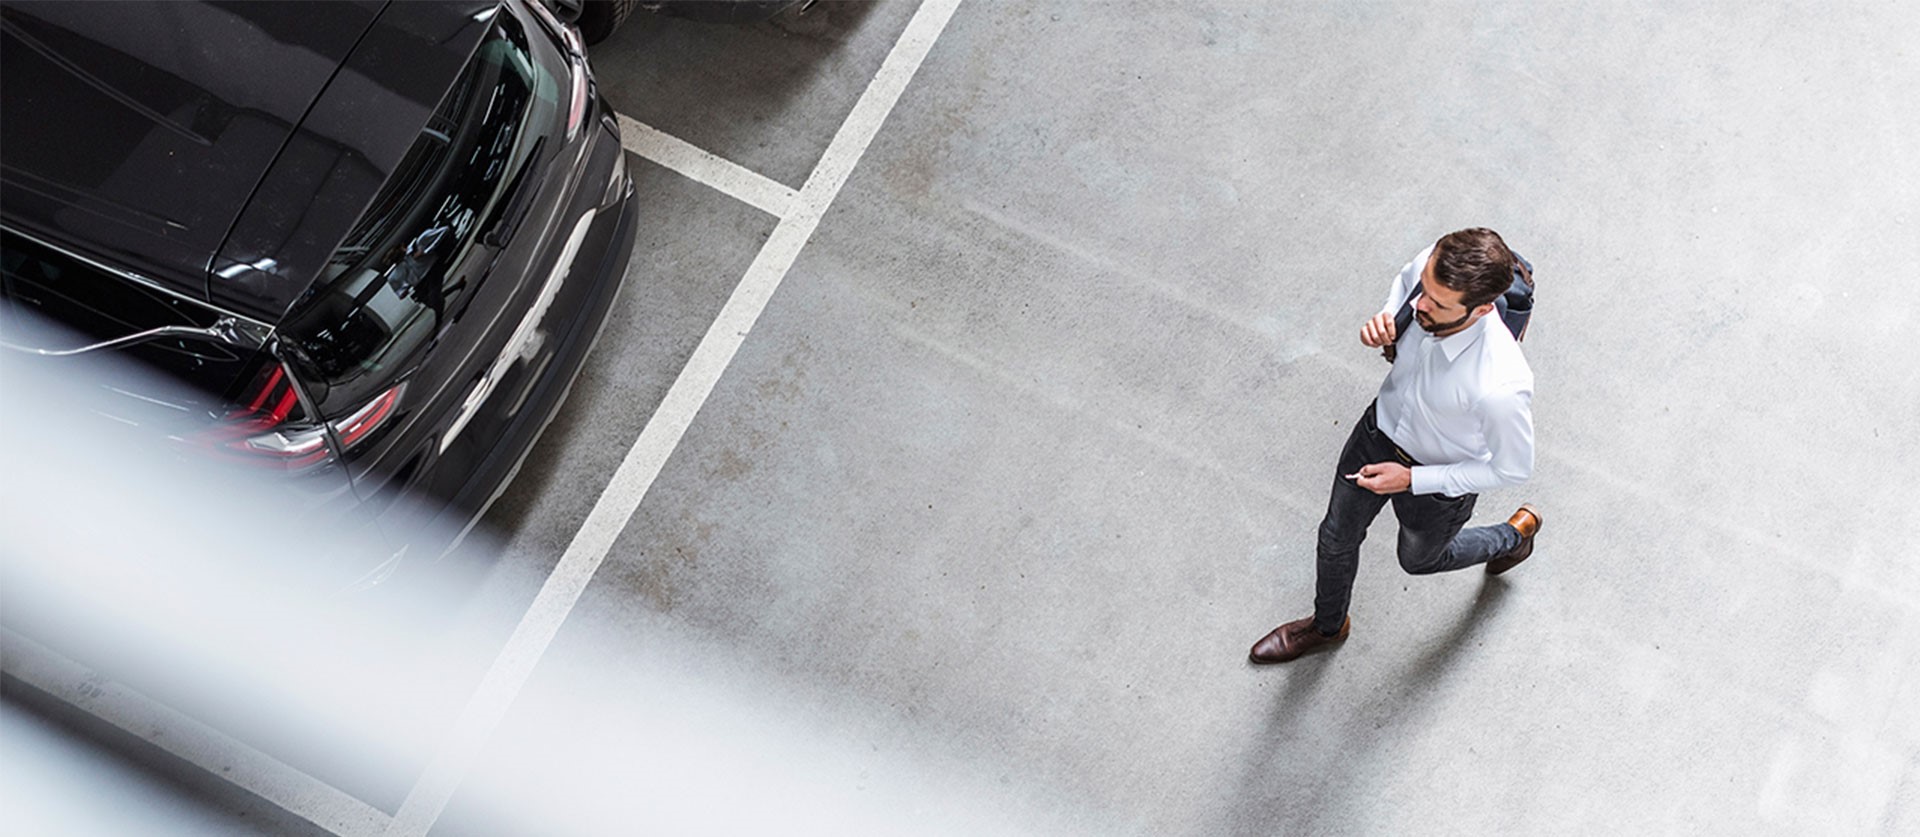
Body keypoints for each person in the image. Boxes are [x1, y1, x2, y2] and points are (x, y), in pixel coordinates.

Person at [1250, 228, 1542, 664]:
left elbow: (1513, 468)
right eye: (1424, 290)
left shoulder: (1499, 385)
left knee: (1420, 560)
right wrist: (1386, 318)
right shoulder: (1432, 269)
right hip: (1377, 434)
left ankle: (1511, 537)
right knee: (1335, 536)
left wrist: (1411, 479)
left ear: (1482, 309)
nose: (1420, 304)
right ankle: (1327, 625)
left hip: (1438, 482)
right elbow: (1404, 284)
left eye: (1437, 305)